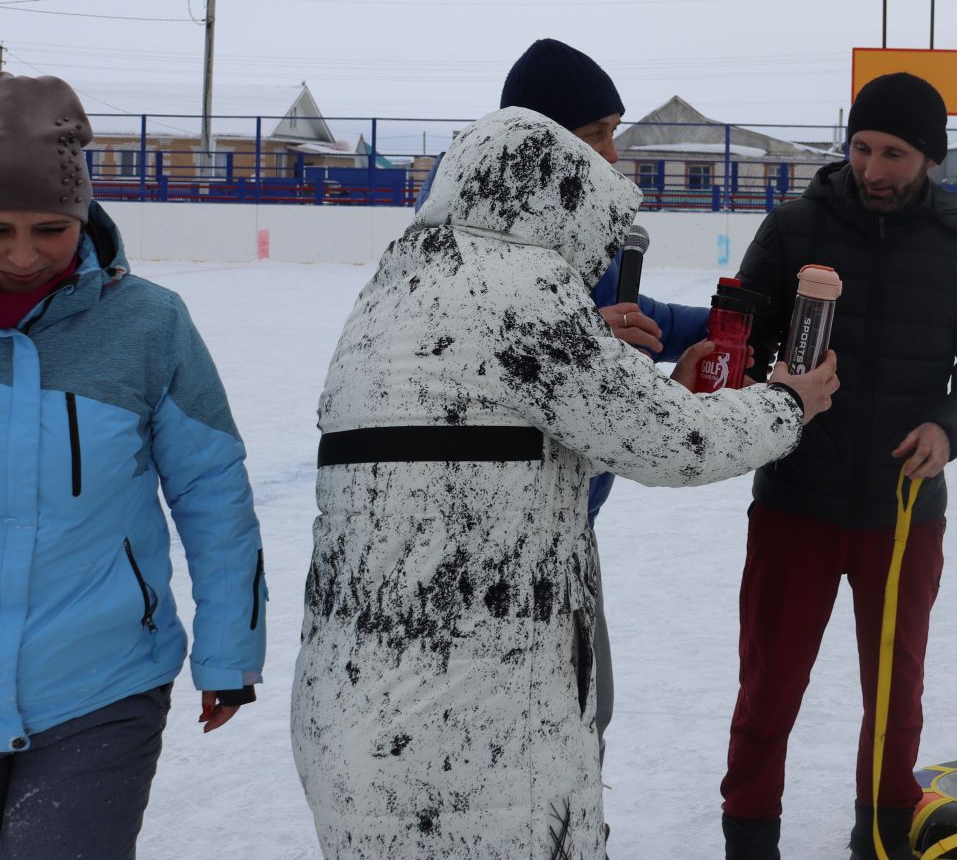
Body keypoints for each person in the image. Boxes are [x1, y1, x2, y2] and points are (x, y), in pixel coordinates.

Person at [291, 107, 838, 860]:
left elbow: (500, 458)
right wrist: (787, 403)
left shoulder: (394, 291)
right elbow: (674, 445)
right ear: (560, 202)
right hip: (472, 731)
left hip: (354, 710)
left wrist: (664, 389)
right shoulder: (519, 289)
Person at [720, 72, 957, 860]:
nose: (874, 168)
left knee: (896, 697)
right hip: (796, 502)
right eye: (861, 148)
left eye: (894, 152)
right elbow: (738, 346)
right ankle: (750, 839)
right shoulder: (793, 229)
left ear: (930, 157)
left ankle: (881, 835)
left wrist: (950, 428)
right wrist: (754, 371)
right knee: (768, 692)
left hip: (903, 510)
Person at [0, 74, 266, 856]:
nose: (23, 256)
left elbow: (212, 491)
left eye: (49, 229)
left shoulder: (148, 324)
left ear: (83, 213)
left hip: (100, 687)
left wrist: (230, 648)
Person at [439, 37, 718, 754]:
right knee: (516, 745)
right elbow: (471, 356)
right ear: (544, 139)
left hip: (567, 535)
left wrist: (731, 319)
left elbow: (639, 320)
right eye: (598, 134)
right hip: (486, 556)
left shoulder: (564, 241)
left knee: (582, 721)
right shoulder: (469, 245)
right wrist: (578, 341)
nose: (614, 157)